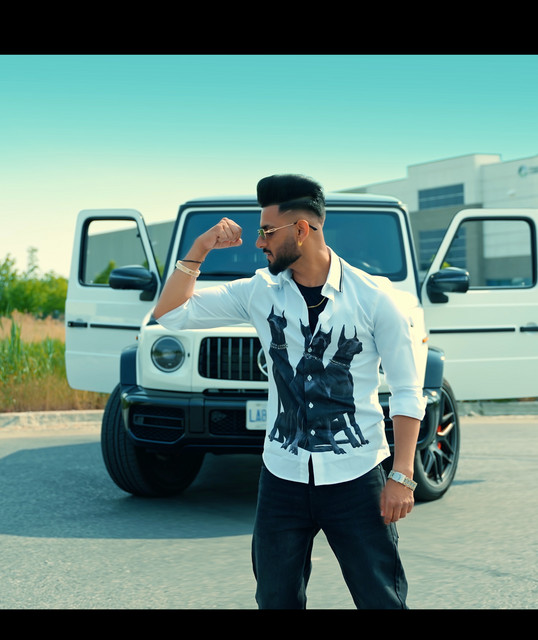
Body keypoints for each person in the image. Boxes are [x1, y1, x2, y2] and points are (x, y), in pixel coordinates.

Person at [154, 174, 427, 609]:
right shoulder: (259, 291)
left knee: (381, 599)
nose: (259, 242)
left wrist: (402, 476)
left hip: (356, 476)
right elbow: (170, 314)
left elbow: (408, 390)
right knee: (276, 598)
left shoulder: (375, 298)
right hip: (282, 477)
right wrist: (200, 248)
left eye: (267, 231)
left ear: (301, 229)